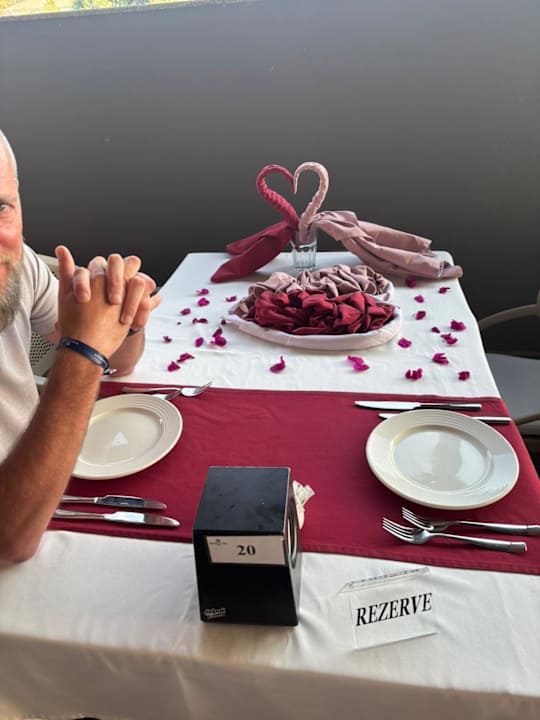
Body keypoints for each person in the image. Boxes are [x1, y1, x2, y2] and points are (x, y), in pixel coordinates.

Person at [0, 129, 161, 563]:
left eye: (1, 208)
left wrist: (122, 319)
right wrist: (83, 353)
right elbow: (10, 538)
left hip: (49, 482)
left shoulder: (18, 264)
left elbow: (119, 362)